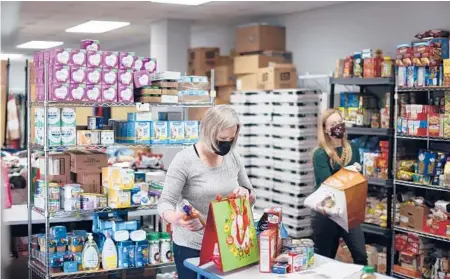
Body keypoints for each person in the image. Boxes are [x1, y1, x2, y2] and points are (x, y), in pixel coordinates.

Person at [157, 105, 255, 279]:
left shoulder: (233, 157)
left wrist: (246, 193)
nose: (227, 143)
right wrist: (176, 219)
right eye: (222, 138)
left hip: (229, 245)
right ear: (207, 132)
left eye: (231, 138)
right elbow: (165, 202)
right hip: (192, 246)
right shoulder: (184, 160)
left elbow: (251, 194)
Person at [311, 108, 368, 265]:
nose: (338, 126)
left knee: (361, 256)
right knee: (325, 258)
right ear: (325, 130)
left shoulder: (352, 148)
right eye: (333, 124)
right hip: (326, 212)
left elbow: (356, 180)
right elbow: (329, 183)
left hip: (349, 211)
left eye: (340, 122)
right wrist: (350, 171)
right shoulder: (320, 154)